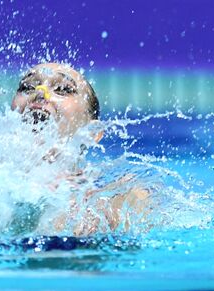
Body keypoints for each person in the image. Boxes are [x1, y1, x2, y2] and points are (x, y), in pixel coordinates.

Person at [10, 63, 150, 236]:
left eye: (62, 89)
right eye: (27, 86)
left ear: (92, 133)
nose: (40, 92)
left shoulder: (116, 201)